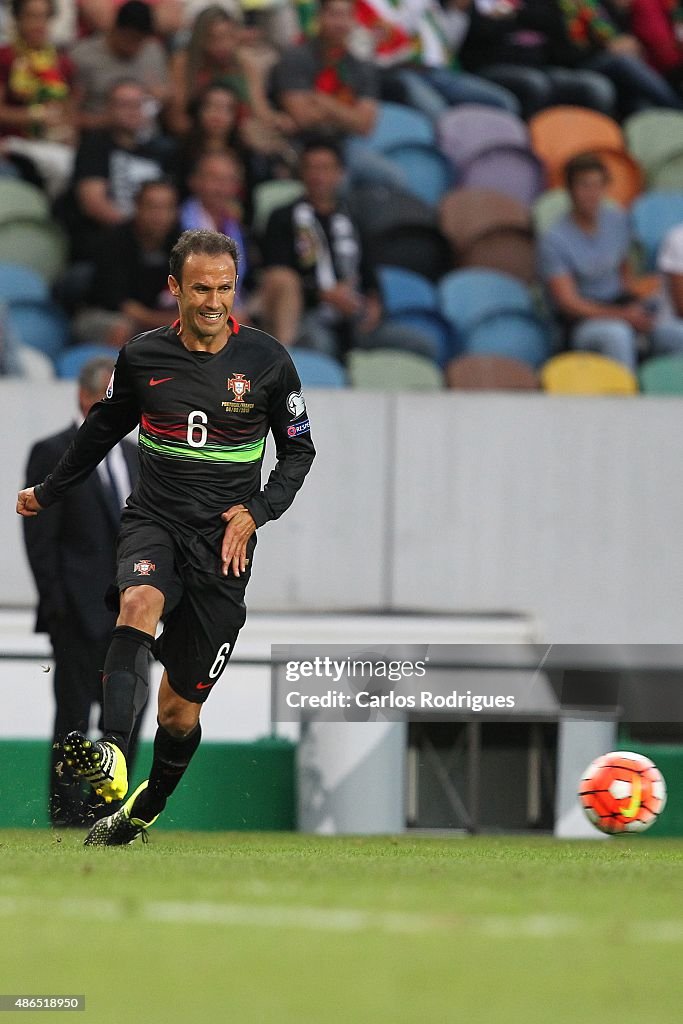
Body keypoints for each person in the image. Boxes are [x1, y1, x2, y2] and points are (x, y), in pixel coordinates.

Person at [16, 229, 316, 846]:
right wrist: (47, 492)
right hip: (155, 519)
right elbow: (101, 431)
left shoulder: (268, 362)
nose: (214, 301)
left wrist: (256, 511)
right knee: (137, 603)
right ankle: (114, 752)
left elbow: (298, 452)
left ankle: (143, 807)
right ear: (175, 288)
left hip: (224, 547)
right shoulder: (144, 357)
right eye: (201, 288)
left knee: (180, 712)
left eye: (226, 288)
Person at [22, 356, 141, 827]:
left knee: (127, 714)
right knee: (72, 716)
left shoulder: (136, 456)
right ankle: (67, 814)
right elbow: (41, 540)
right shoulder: (51, 452)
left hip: (131, 617)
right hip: (75, 614)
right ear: (86, 398)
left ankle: (111, 810)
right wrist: (58, 608)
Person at [260, 137, 418, 361]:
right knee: (321, 344)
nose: (318, 176)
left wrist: (374, 304)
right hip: (310, 314)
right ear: (301, 173)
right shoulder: (283, 217)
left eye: (325, 168)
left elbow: (369, 274)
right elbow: (278, 277)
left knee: (420, 344)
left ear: (340, 173)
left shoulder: (353, 219)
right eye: (311, 168)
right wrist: (323, 295)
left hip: (355, 318)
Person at [538, 153, 654, 371]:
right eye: (584, 186)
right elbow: (569, 303)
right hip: (582, 322)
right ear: (569, 190)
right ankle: (627, 399)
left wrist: (638, 305)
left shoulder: (617, 220)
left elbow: (624, 272)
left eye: (597, 186)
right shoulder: (555, 240)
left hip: (620, 305)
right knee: (617, 335)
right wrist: (623, 316)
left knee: (671, 329)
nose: (591, 194)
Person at [64, 78, 177, 261]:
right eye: (124, 105)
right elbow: (94, 204)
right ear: (109, 109)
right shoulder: (94, 146)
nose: (132, 111)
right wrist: (137, 232)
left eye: (138, 104)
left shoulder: (160, 151)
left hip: (154, 247)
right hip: (105, 248)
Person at [73, 178, 180, 349]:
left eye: (166, 208)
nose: (159, 215)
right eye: (152, 207)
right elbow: (124, 305)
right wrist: (171, 322)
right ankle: (118, 373)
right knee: (122, 328)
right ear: (137, 207)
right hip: (104, 314)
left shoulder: (182, 244)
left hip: (161, 319)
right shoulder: (114, 241)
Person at [0, 0, 79, 196]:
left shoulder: (62, 62)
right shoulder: (5, 57)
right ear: (17, 19)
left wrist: (69, 133)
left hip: (51, 143)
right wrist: (37, 115)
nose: (39, 23)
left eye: (45, 16)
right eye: (32, 16)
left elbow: (69, 112)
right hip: (12, 143)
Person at [69, 0, 168, 130]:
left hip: (147, 139)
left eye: (141, 40)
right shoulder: (83, 56)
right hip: (100, 135)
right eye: (130, 38)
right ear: (115, 29)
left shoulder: (153, 51)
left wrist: (163, 97)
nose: (135, 46)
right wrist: (108, 120)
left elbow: (166, 97)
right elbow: (70, 117)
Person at [180, 151, 250, 315]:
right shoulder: (176, 223)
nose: (221, 188)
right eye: (214, 178)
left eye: (228, 180)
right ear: (194, 181)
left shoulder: (238, 226)